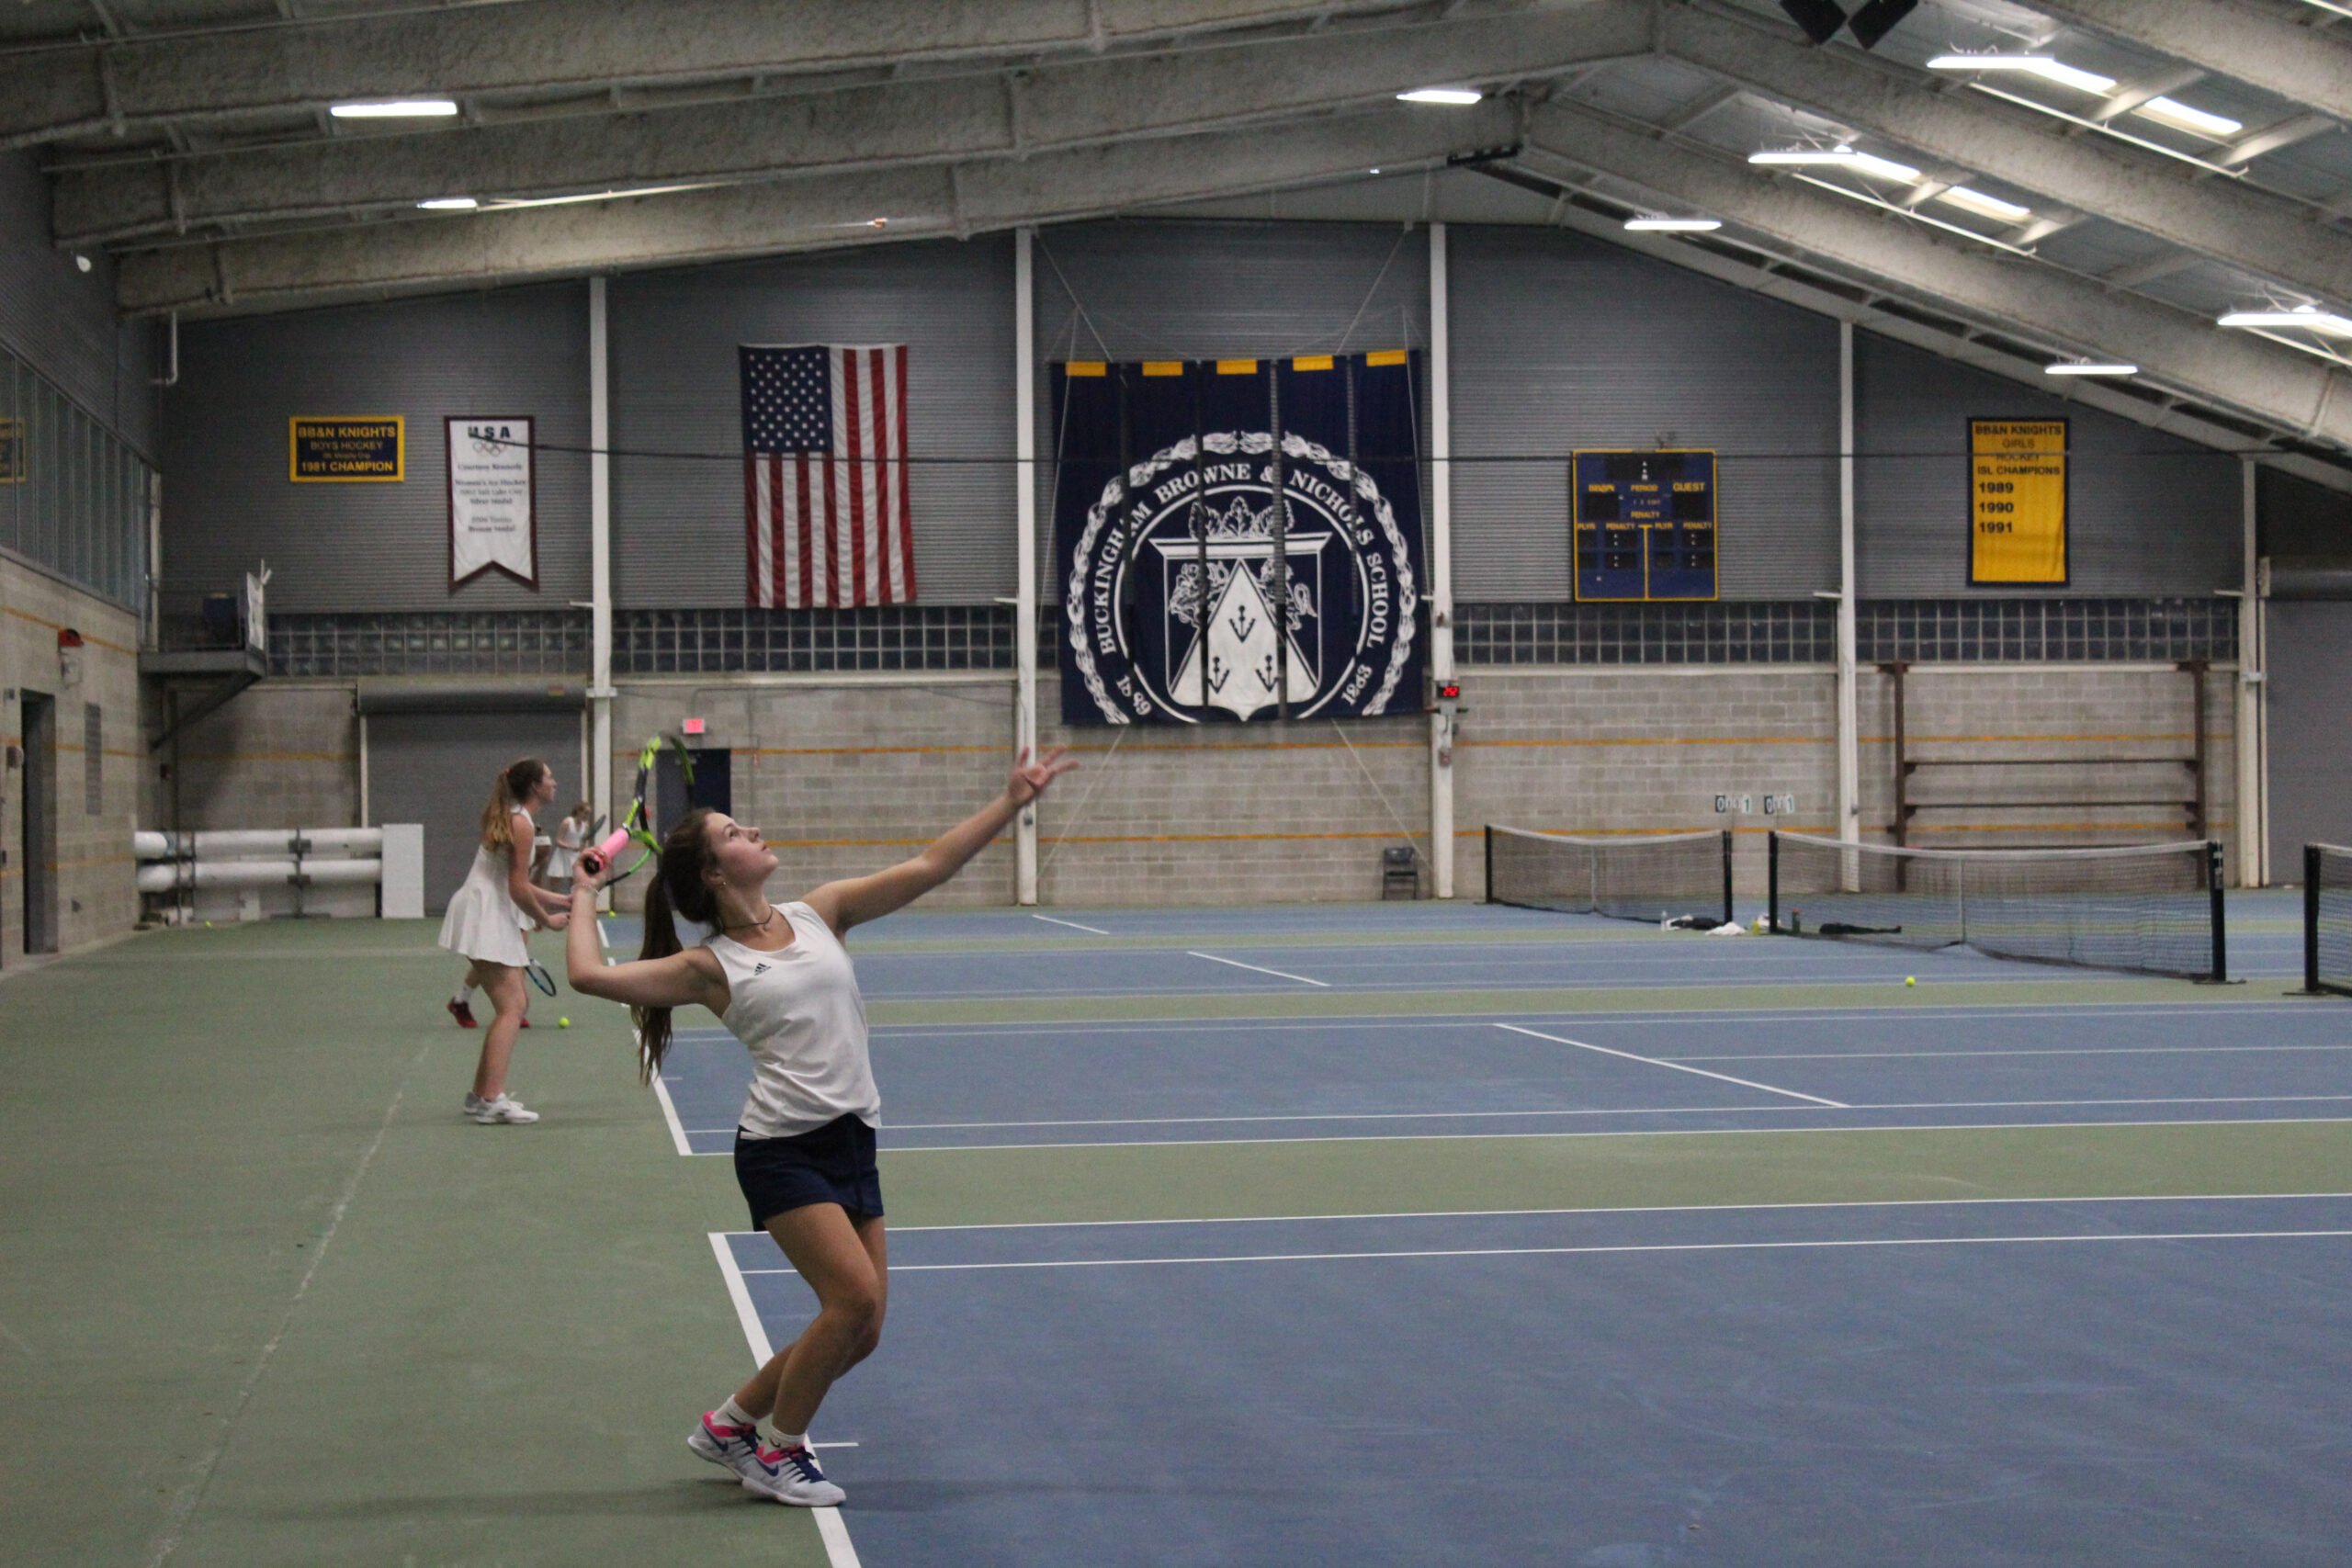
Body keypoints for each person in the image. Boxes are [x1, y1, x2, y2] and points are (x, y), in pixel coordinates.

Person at [563, 747, 1076, 1506]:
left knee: (862, 1327)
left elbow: (931, 865)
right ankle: (778, 1450)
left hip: (852, 1140)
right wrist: (582, 890)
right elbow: (588, 977)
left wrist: (1010, 802)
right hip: (782, 1150)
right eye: (736, 831)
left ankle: (732, 1423)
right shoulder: (712, 966)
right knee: (853, 1301)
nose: (755, 830)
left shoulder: (820, 911)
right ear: (714, 871)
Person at [440, 757, 573, 1124]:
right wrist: (547, 919)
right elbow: (514, 887)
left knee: (514, 1003)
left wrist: (558, 899)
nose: (555, 782)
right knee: (512, 1007)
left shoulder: (515, 816)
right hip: (486, 914)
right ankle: (490, 1100)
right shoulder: (522, 823)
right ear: (534, 786)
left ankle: (480, 1096)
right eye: (549, 777)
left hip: (484, 907)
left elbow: (510, 881)